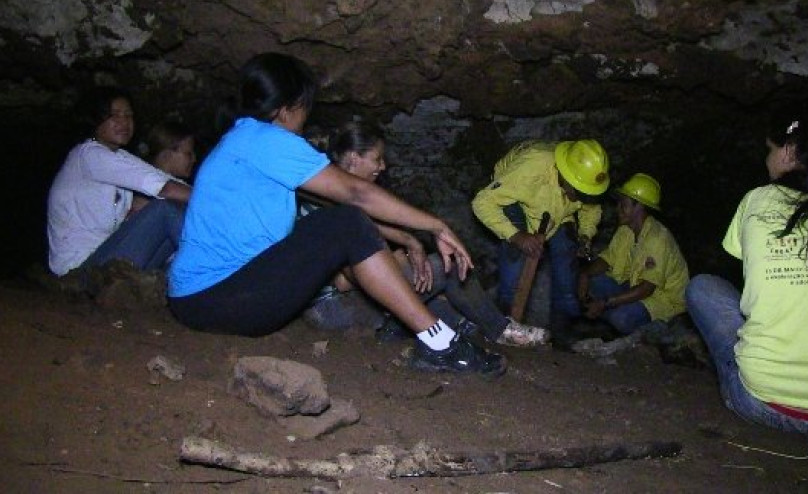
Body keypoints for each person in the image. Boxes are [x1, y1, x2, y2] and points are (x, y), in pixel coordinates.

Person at [167, 53, 506, 377]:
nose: (306, 118)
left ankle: (418, 329)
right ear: (288, 109)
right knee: (348, 223)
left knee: (345, 221)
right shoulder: (267, 141)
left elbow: (327, 204)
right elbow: (355, 194)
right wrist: (436, 225)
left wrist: (405, 238)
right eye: (306, 108)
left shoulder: (243, 140)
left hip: (207, 299)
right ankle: (441, 344)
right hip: (218, 298)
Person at [686, 119, 808, 441]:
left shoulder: (757, 200)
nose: (766, 159)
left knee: (703, 287)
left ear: (787, 153)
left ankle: (769, 366)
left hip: (759, 403)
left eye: (769, 151)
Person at [301, 122, 550, 347]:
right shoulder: (328, 202)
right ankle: (500, 331)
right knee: (444, 268)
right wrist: (393, 262)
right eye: (377, 159)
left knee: (428, 286)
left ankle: (465, 329)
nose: (383, 166)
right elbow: (348, 280)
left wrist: (404, 247)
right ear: (354, 159)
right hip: (332, 310)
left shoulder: (335, 197)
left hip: (340, 306)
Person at [471, 139, 610, 344]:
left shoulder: (585, 182)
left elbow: (591, 208)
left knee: (567, 258)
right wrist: (517, 236)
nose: (581, 197)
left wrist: (585, 235)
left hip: (556, 210)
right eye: (579, 192)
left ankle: (562, 333)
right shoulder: (532, 167)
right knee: (515, 263)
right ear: (566, 175)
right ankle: (503, 326)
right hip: (515, 199)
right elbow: (482, 202)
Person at [47, 87, 190, 279]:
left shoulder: (118, 157)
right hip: (80, 272)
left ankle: (193, 283)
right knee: (165, 210)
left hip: (109, 264)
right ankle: (224, 264)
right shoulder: (89, 155)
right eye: (115, 115)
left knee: (174, 215)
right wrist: (220, 201)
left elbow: (163, 179)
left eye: (129, 115)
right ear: (97, 119)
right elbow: (167, 188)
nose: (124, 122)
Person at [578, 173, 689, 336]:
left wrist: (605, 303)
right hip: (633, 284)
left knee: (621, 318)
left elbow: (647, 289)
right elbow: (608, 258)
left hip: (663, 300)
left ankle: (654, 332)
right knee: (593, 282)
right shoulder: (626, 230)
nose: (618, 209)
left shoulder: (657, 239)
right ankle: (609, 320)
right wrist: (585, 274)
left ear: (639, 207)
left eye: (623, 205)